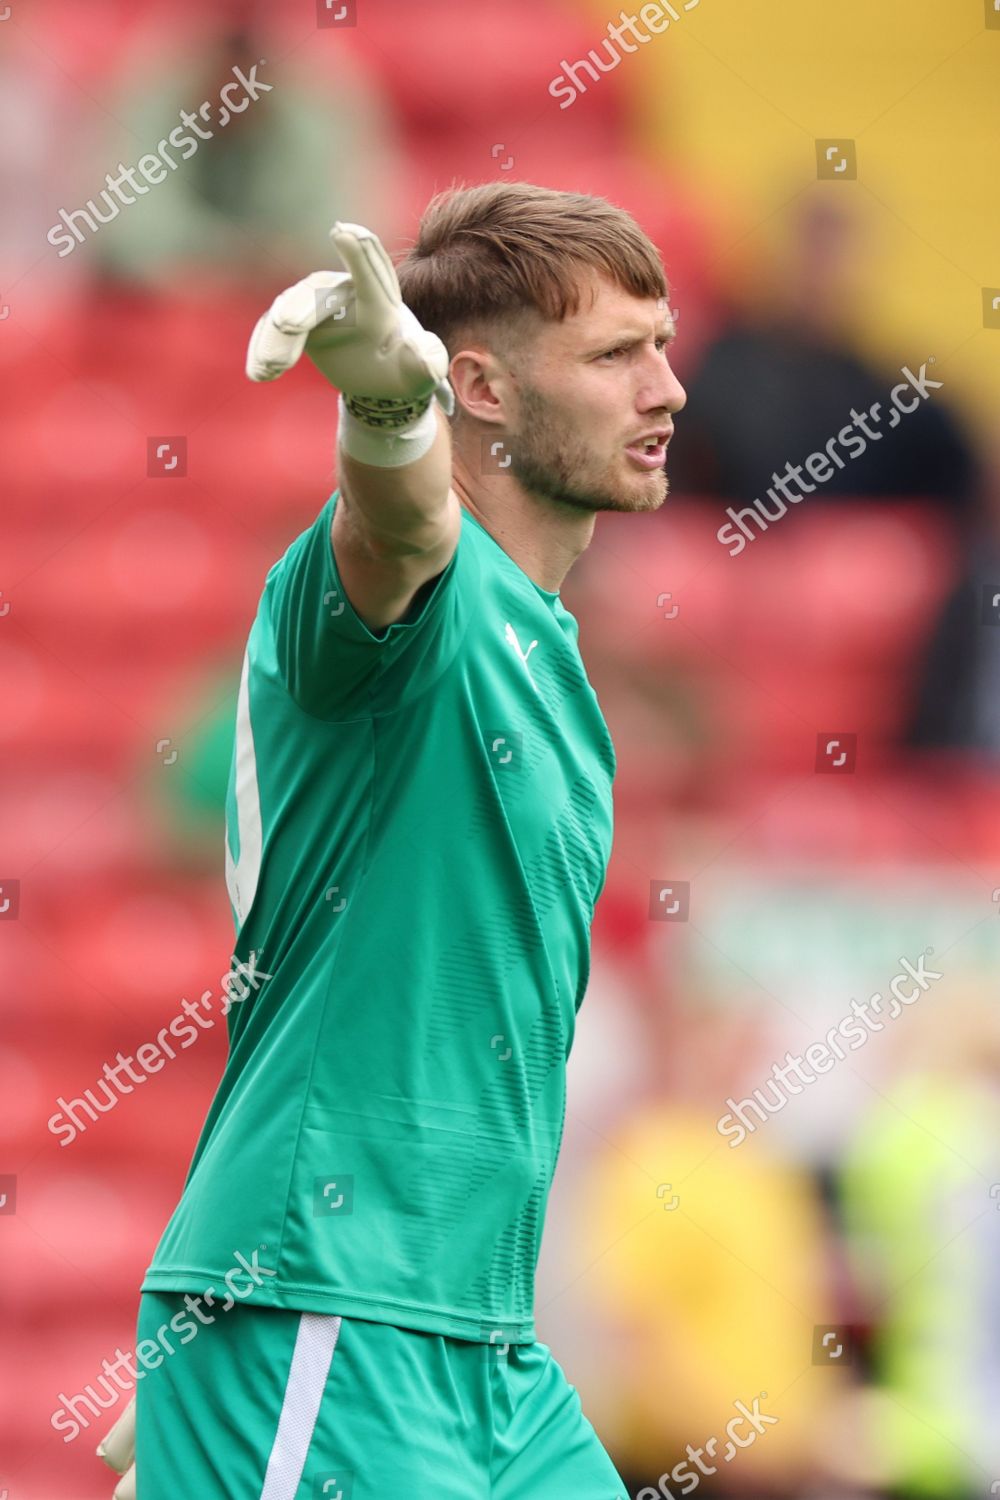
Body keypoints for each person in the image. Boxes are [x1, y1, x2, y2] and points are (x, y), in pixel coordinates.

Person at [96, 180, 687, 1500]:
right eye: (615, 355)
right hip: (331, 1302)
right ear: (474, 386)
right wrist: (382, 410)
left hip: (480, 1347)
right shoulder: (411, 592)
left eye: (663, 343)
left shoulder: (550, 653)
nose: (667, 388)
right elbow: (399, 520)